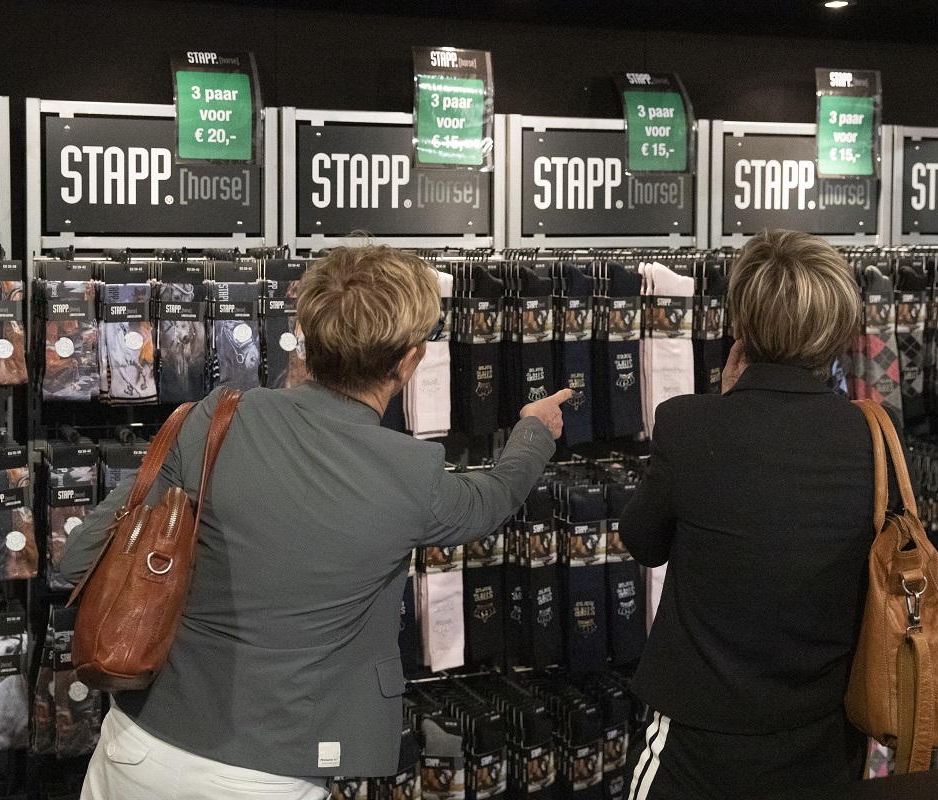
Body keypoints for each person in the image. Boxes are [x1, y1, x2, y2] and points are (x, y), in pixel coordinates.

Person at [58, 244, 571, 800]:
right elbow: (492, 499)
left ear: (304, 335)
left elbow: (80, 559)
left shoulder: (216, 420)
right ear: (409, 361)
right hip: (270, 773)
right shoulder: (411, 474)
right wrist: (534, 430)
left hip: (137, 748)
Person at [620, 230, 876, 799]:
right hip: (825, 734)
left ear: (740, 323)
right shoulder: (874, 437)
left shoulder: (688, 424)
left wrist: (726, 404)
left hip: (700, 742)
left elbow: (642, 541)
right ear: (838, 330)